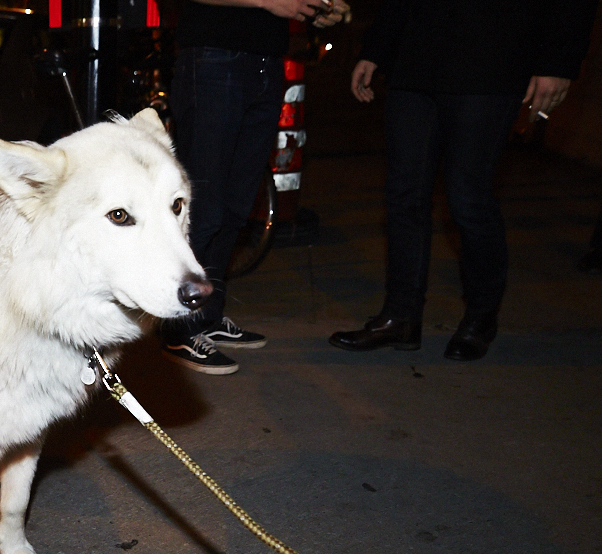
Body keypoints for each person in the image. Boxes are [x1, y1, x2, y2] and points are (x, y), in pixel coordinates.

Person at [329, 0, 597, 361]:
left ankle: (480, 318)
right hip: (417, 58)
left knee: (468, 199)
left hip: (491, 60)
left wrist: (558, 62)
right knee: (404, 195)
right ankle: (400, 317)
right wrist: (376, 48)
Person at [162, 0, 351, 375]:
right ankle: (177, 329)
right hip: (215, 59)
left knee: (236, 204)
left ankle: (207, 318)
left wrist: (317, 10)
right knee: (203, 205)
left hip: (265, 61)